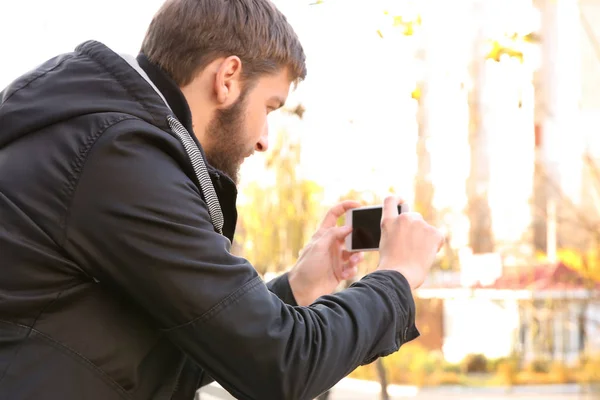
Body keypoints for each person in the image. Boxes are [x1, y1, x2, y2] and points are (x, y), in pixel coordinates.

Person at [0, 0, 444, 399]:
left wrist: (299, 288)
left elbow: (168, 357)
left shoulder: (103, 143)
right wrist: (397, 277)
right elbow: (281, 367)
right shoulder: (117, 157)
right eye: (270, 106)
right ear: (228, 78)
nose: (265, 140)